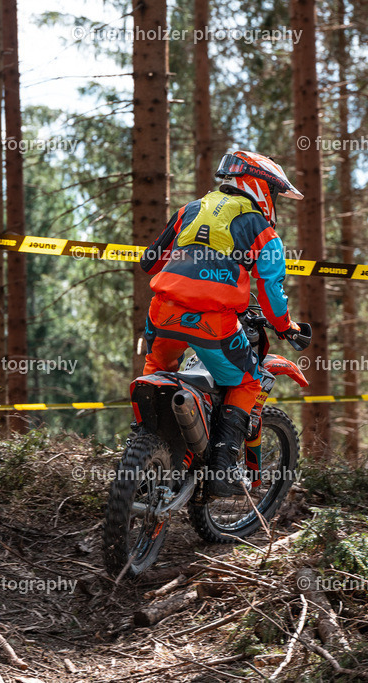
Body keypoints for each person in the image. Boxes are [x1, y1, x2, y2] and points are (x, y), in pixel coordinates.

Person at [139, 151, 304, 497]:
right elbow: (271, 289)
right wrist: (286, 327)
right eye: (273, 194)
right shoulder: (262, 230)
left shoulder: (190, 209)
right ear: (259, 187)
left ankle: (145, 444)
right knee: (249, 380)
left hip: (162, 313)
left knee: (157, 373)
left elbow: (149, 261)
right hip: (214, 321)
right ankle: (222, 468)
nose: (273, 203)